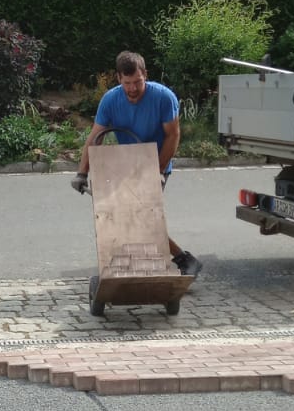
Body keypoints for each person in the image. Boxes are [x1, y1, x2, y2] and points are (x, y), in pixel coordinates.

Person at [71, 50, 203, 279]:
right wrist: (82, 173)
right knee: (129, 218)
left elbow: (173, 136)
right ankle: (164, 262)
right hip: (126, 165)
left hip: (156, 162)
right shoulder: (110, 100)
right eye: (127, 83)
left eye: (138, 82)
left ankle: (177, 261)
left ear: (145, 75)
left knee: (141, 219)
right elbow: (95, 138)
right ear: (119, 78)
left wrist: (157, 171)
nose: (133, 88)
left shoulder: (163, 97)